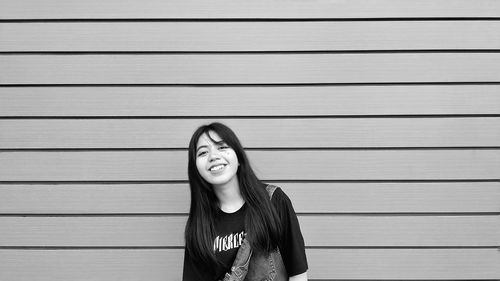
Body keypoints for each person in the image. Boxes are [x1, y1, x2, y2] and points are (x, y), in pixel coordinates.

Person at [182, 122, 308, 281]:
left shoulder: (274, 201)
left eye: (222, 147)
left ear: (238, 157)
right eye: (202, 153)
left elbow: (298, 274)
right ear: (196, 169)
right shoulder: (199, 226)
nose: (213, 156)